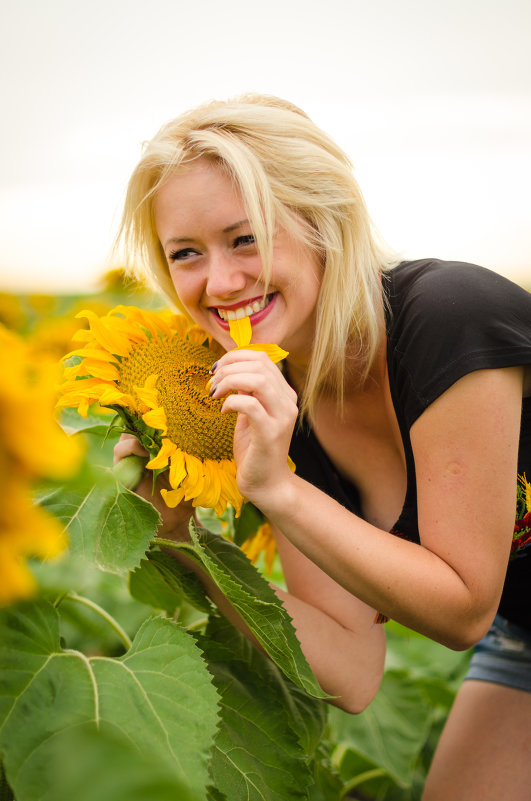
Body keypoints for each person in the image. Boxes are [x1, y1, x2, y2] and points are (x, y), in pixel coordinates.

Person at [113, 94, 531, 801]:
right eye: (186, 253)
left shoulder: (445, 321)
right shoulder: (279, 405)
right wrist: (186, 540)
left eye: (245, 239)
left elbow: (462, 608)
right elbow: (350, 669)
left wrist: (278, 489)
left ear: (324, 220)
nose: (218, 282)